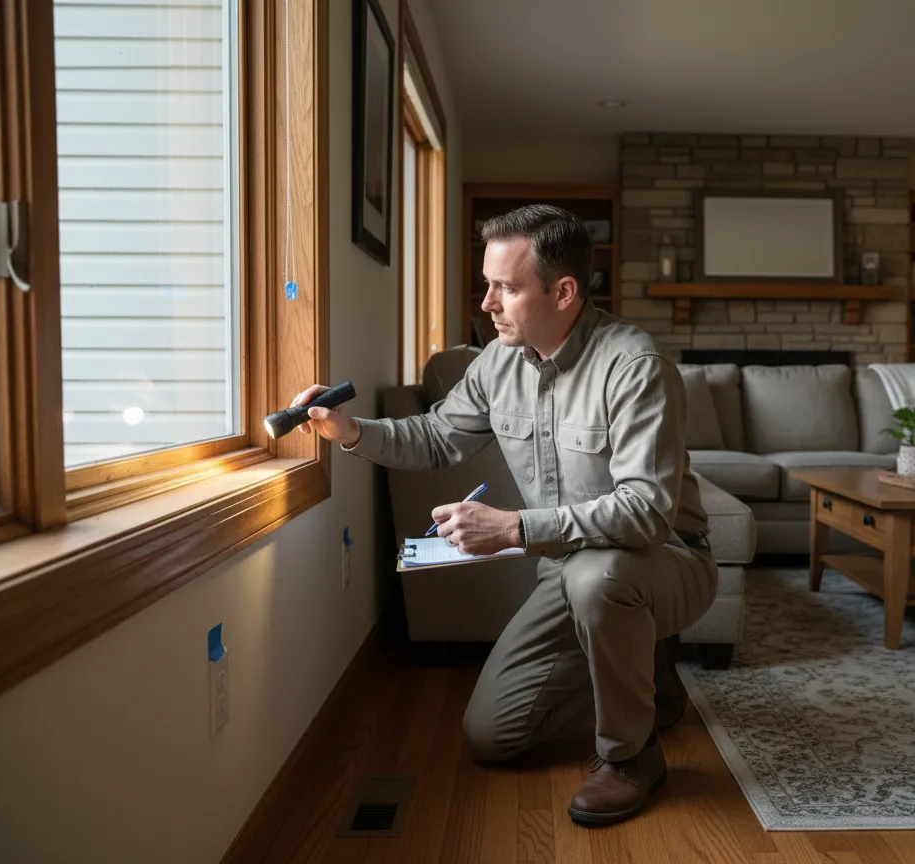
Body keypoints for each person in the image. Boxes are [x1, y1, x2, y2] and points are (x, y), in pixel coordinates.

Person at [289, 204, 718, 826]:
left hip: (666, 561)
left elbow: (647, 513)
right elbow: (437, 437)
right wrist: (351, 430)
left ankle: (630, 756)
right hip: (567, 572)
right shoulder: (496, 364)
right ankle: (649, 681)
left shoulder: (634, 367)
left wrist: (513, 528)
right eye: (487, 284)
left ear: (563, 291)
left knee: (599, 579)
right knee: (492, 736)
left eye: (506, 287)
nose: (487, 303)